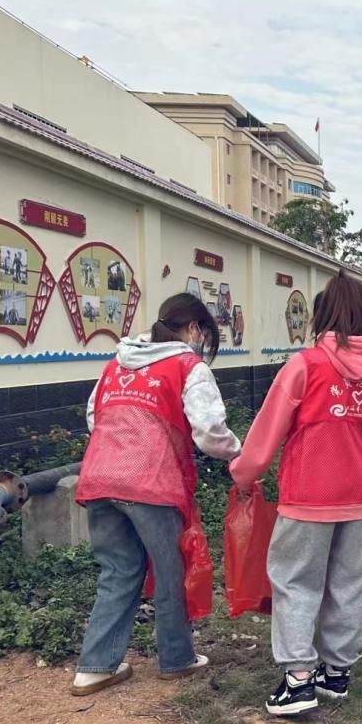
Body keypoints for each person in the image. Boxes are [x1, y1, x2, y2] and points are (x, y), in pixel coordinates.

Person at [231, 271, 362, 716]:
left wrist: (244, 473)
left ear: (322, 316)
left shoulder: (304, 366)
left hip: (308, 494)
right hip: (358, 494)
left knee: (296, 582)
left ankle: (298, 680)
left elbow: (268, 429)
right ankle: (335, 672)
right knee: (349, 583)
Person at [72, 293, 242, 696]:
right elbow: (209, 431)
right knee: (170, 573)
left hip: (99, 479)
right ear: (195, 328)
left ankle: (94, 668)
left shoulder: (117, 362)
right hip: (153, 484)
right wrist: (241, 454)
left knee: (118, 571)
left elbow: (95, 416)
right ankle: (177, 659)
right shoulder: (188, 366)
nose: (203, 343)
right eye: (206, 334)